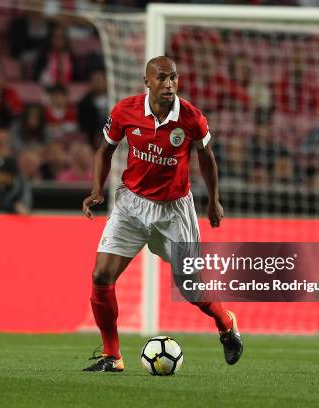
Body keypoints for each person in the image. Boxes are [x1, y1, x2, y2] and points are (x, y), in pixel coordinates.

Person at [81, 56, 242, 372]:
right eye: (162, 79)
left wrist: (214, 201)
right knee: (101, 275)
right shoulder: (125, 110)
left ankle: (226, 323)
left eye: (174, 78)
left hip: (174, 211)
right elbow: (105, 150)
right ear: (147, 81)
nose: (169, 85)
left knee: (190, 287)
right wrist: (98, 189)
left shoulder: (192, 118)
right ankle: (112, 357)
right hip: (131, 205)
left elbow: (206, 158)